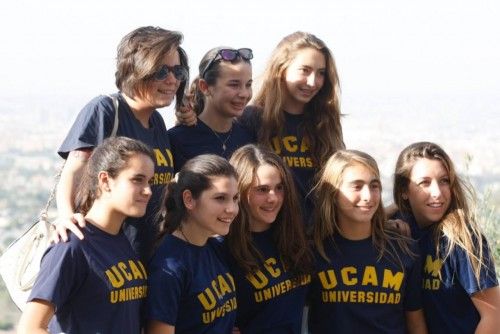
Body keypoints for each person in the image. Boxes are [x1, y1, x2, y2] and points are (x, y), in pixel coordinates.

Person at [177, 32, 345, 222]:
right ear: (281, 69)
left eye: (321, 73)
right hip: (265, 234)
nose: (313, 81)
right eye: (304, 70)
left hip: (318, 235)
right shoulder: (253, 120)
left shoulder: (325, 123)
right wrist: (189, 111)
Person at [55, 26, 189, 261]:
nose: (172, 80)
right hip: (104, 256)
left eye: (178, 71)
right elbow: (73, 171)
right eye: (161, 71)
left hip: (145, 256)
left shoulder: (156, 120)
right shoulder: (105, 110)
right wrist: (66, 216)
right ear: (136, 69)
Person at [17, 137, 155, 334]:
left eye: (149, 181)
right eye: (137, 180)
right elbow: (30, 328)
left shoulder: (121, 240)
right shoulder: (72, 244)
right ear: (105, 181)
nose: (148, 191)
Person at [309, 150, 427, 334]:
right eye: (357, 186)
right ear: (332, 193)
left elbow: (415, 322)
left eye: (374, 186)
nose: (368, 196)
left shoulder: (403, 249)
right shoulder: (314, 251)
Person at [392, 141, 500, 333]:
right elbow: (359, 223)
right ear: (403, 190)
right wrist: (388, 218)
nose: (437, 192)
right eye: (424, 183)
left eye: (444, 181)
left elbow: (494, 315)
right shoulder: (402, 228)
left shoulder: (460, 238)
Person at [146, 154, 239, 333]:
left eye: (235, 198)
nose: (232, 209)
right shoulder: (168, 268)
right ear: (189, 199)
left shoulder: (214, 246)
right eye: (220, 198)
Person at [227, 144, 313, 333]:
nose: (273, 198)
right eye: (262, 190)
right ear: (239, 191)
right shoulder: (222, 249)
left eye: (279, 188)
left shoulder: (293, 236)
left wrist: (387, 221)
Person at [168, 46, 254, 171]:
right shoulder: (177, 139)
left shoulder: (250, 138)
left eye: (248, 85)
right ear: (204, 87)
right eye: (234, 85)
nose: (244, 94)